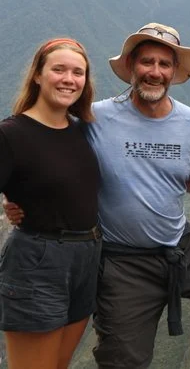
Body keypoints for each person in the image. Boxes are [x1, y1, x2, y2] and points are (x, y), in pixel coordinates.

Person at [4, 23, 190, 369]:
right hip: (120, 260)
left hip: (181, 244)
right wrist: (16, 196)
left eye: (164, 64)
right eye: (146, 62)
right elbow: (47, 150)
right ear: (130, 66)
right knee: (122, 362)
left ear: (174, 71)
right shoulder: (94, 118)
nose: (155, 71)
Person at [0, 38, 101, 369]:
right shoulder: (12, 134)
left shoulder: (81, 130)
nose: (68, 79)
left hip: (86, 258)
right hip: (38, 260)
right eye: (58, 70)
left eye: (77, 72)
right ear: (38, 75)